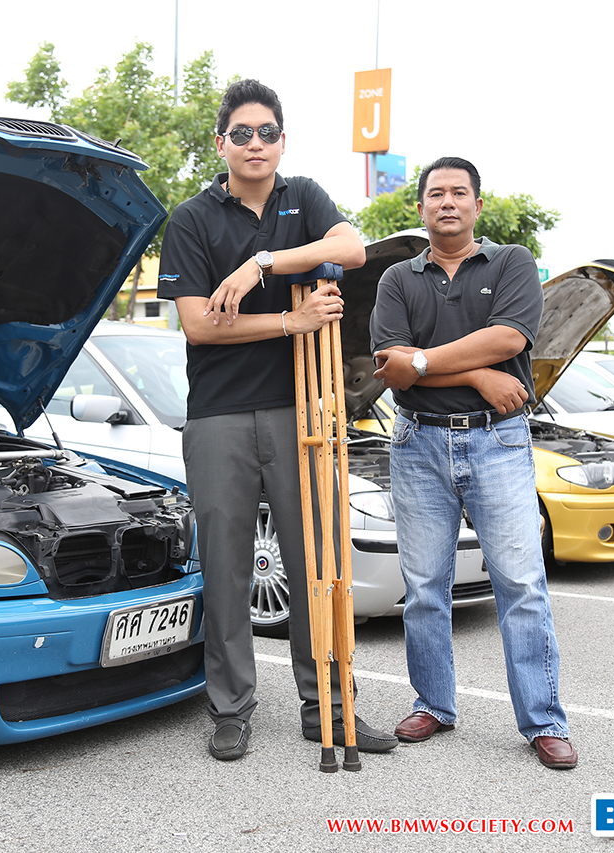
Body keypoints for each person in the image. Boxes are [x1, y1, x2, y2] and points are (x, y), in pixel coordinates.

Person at [156, 79, 395, 761]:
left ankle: (329, 708)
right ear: (221, 143)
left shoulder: (304, 198)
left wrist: (260, 263)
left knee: (317, 562)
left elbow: (352, 249)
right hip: (219, 416)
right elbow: (201, 325)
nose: (254, 143)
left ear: (282, 141)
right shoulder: (192, 219)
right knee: (227, 568)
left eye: (266, 132)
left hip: (301, 410)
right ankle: (231, 708)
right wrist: (292, 320)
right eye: (242, 133)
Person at [368, 156, 577, 769]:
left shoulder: (512, 262)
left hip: (498, 442)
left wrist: (423, 362)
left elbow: (509, 337)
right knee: (424, 588)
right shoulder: (397, 279)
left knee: (521, 584)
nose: (448, 202)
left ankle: (543, 721)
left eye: (459, 193)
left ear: (477, 205)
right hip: (418, 444)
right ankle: (433, 704)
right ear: (421, 208)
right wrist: (479, 375)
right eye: (436, 194)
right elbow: (391, 366)